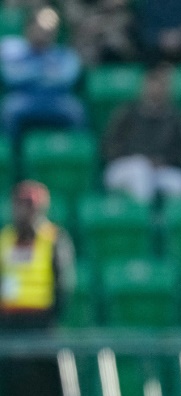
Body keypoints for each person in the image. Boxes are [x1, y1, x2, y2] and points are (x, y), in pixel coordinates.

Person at [102, 63, 181, 203]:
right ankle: (144, 219)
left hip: (160, 169)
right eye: (152, 85)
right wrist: (137, 157)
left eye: (161, 86)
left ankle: (167, 222)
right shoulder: (126, 113)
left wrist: (164, 161)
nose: (156, 90)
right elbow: (110, 145)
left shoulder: (176, 117)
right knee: (140, 170)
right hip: (124, 167)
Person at [0, 7, 86, 146]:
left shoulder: (63, 54)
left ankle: (72, 152)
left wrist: (28, 73)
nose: (43, 33)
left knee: (76, 111)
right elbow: (10, 77)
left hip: (57, 100)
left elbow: (67, 78)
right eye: (40, 28)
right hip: (23, 98)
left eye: (49, 29)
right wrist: (44, 73)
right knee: (9, 111)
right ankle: (14, 156)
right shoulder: (12, 50)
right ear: (29, 27)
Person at [0, 180, 75, 330]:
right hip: (7, 319)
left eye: (29, 206)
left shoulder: (54, 238)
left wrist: (53, 316)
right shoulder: (4, 238)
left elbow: (63, 283)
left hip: (41, 319)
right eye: (19, 205)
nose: (22, 211)